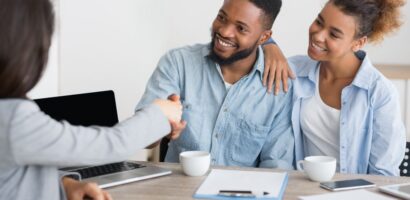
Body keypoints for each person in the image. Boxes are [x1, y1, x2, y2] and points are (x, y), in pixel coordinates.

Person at [0, 0, 183, 199]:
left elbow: (12, 177)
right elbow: (111, 145)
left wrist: (65, 186)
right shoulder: (11, 120)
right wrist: (159, 113)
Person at [136, 0, 294, 169]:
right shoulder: (177, 63)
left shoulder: (279, 86)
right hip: (178, 191)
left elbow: (276, 165)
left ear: (264, 37)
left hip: (241, 193)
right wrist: (158, 126)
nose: (224, 31)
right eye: (222, 17)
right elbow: (141, 138)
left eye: (241, 28)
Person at [269, 0, 406, 175]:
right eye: (319, 22)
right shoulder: (293, 71)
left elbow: (384, 174)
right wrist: (268, 45)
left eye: (334, 34)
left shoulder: (380, 93)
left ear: (358, 43)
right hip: (302, 187)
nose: (318, 36)